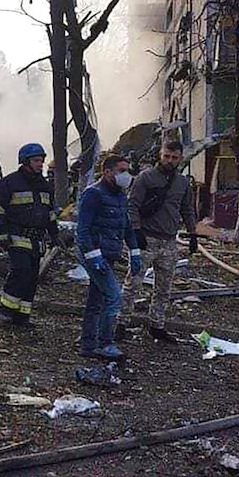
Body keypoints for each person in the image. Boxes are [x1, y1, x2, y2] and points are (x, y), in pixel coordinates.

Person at [121, 140, 197, 344]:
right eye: (167, 156)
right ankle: (121, 323)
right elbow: (132, 206)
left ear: (180, 158)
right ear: (160, 156)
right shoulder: (146, 178)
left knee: (164, 288)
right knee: (133, 284)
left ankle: (157, 325)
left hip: (169, 242)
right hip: (147, 238)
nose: (170, 161)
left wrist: (193, 234)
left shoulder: (183, 183)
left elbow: (187, 209)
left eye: (174, 157)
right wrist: (136, 232)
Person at [0, 143, 63, 328]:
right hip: (16, 236)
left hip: (37, 241)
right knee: (20, 272)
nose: (41, 164)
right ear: (25, 161)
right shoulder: (10, 182)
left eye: (42, 161)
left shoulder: (44, 186)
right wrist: (2, 232)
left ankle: (22, 316)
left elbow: (50, 213)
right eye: (37, 160)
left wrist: (54, 234)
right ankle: (5, 312)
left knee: (31, 278)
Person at [76, 154, 141, 360]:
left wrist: (135, 252)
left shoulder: (120, 195)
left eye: (127, 171)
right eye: (121, 171)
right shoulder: (93, 194)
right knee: (114, 297)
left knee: (97, 300)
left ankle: (88, 345)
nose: (126, 175)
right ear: (107, 172)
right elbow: (83, 230)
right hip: (95, 255)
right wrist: (94, 257)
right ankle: (106, 343)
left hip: (108, 254)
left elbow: (126, 225)